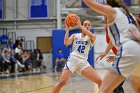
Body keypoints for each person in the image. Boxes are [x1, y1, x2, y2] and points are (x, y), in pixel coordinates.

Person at [83, 0, 140, 93]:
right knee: (137, 86)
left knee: (103, 90)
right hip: (138, 50)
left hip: (128, 49)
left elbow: (92, 4)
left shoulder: (113, 11)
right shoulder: (129, 15)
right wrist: (106, 52)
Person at [52, 18, 102, 93]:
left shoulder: (92, 37)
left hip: (83, 62)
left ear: (90, 27)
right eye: (85, 24)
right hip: (73, 60)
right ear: (82, 25)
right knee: (61, 82)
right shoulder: (75, 35)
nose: (87, 26)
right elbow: (66, 43)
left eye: (89, 25)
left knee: (100, 81)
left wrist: (80, 26)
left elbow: (91, 35)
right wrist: (67, 29)